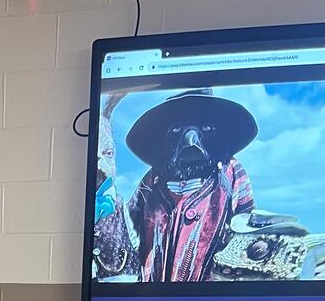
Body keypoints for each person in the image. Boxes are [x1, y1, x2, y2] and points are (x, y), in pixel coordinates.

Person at [94, 87, 258, 284]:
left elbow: (245, 228)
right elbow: (129, 232)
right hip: (154, 294)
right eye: (176, 130)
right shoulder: (153, 181)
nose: (190, 139)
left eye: (205, 129)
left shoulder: (230, 173)